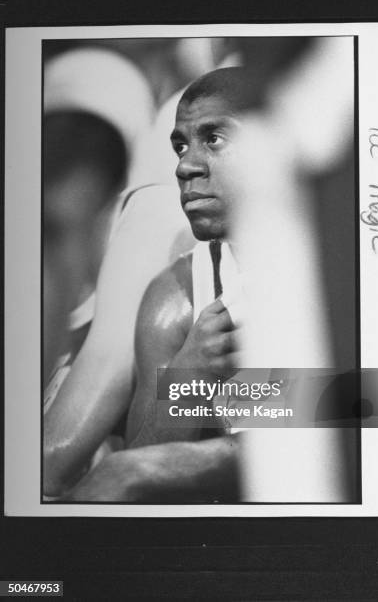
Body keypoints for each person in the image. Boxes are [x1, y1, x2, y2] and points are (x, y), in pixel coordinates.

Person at [44, 67, 260, 502]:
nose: (185, 165)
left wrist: (250, 402)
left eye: (213, 138)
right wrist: (189, 372)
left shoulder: (347, 254)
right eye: (180, 145)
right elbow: (139, 470)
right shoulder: (174, 297)